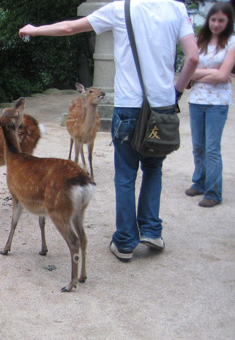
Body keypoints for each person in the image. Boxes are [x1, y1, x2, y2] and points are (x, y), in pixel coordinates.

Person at [19, 0, 199, 262]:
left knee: (125, 176)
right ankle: (150, 230)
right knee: (153, 169)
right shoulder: (177, 8)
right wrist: (177, 91)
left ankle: (125, 241)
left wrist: (34, 29)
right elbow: (193, 57)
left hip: (129, 108)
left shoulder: (120, 8)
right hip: (163, 108)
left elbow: (70, 28)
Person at [185, 2, 235, 208]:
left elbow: (224, 75)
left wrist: (200, 75)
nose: (216, 24)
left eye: (221, 20)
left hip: (218, 102)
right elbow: (189, 70)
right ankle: (200, 181)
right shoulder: (200, 40)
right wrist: (212, 74)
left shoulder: (231, 42)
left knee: (212, 148)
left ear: (228, 21)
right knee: (198, 146)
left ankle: (214, 192)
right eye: (213, 19)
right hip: (196, 100)